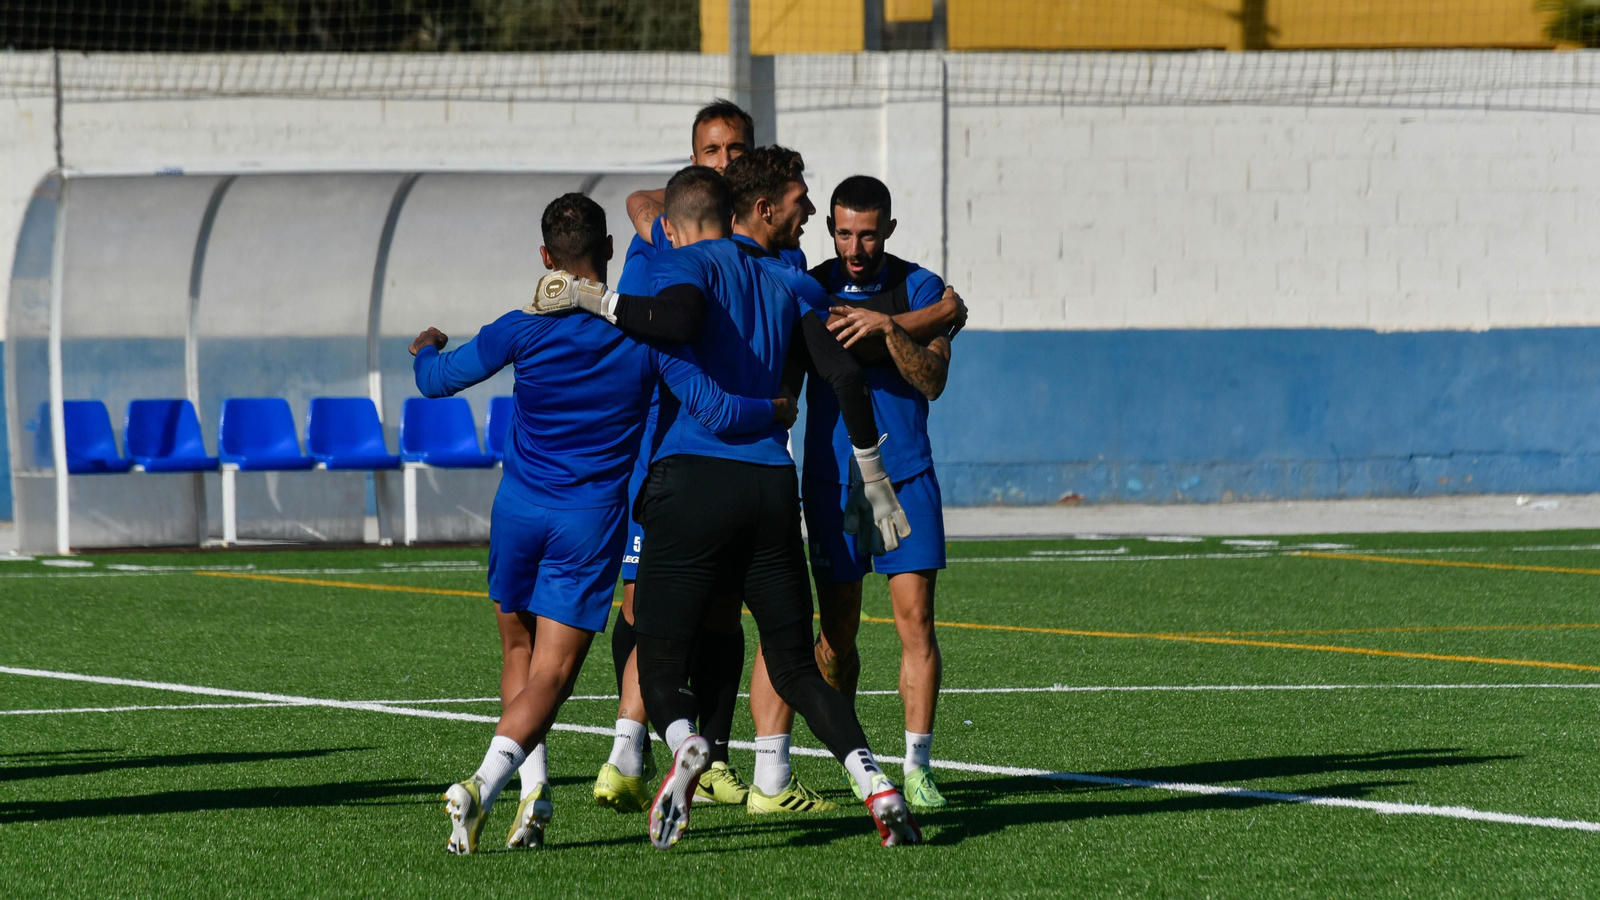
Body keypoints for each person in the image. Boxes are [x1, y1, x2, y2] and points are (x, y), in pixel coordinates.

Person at [526, 146, 922, 848]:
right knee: (798, 666)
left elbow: (673, 322)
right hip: (770, 488)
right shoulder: (790, 283)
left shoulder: (691, 263)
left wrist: (590, 296)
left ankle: (683, 744)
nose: (807, 216)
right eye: (803, 205)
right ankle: (875, 783)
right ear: (760, 208)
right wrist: (873, 475)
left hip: (692, 484)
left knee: (659, 657)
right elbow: (845, 378)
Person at [415, 193, 792, 855]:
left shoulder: (520, 325)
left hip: (518, 511)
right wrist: (776, 407)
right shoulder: (640, 336)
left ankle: (535, 797)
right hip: (587, 521)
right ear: (612, 250)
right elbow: (714, 408)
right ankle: (483, 783)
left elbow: (439, 381)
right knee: (553, 679)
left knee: (517, 655)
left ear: (544, 258)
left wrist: (424, 348)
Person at [803, 175, 956, 810]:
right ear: (830, 229)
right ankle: (855, 759)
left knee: (915, 622)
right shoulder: (810, 285)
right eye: (844, 232)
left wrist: (886, 327)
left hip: (906, 474)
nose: (855, 246)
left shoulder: (917, 286)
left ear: (888, 228)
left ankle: (917, 767)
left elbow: (932, 379)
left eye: (868, 233)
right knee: (836, 637)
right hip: (833, 482)